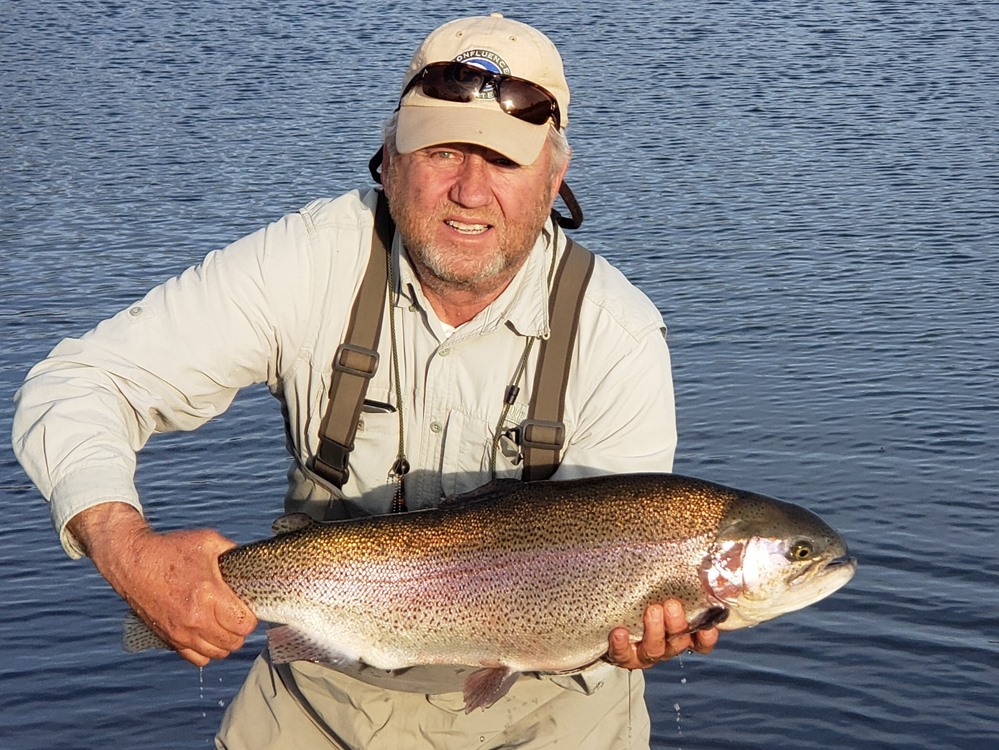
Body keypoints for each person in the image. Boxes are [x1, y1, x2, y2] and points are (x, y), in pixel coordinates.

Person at [12, 13, 717, 750]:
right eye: (443, 151)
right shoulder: (304, 264)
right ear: (388, 159)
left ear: (553, 177)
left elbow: (631, 551)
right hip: (320, 695)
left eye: (504, 161)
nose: (470, 192)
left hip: (557, 709)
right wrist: (127, 549)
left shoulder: (618, 333)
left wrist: (641, 627)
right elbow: (77, 384)